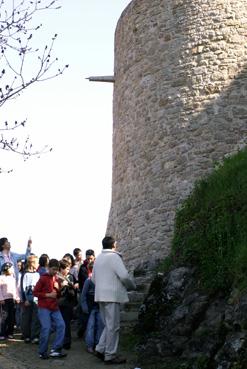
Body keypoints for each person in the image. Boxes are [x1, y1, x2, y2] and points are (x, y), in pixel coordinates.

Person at [92, 236, 136, 365]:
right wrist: (132, 286)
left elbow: (93, 279)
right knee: (114, 327)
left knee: (108, 325)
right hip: (112, 295)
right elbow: (124, 276)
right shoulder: (114, 257)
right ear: (114, 245)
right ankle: (110, 355)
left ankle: (100, 349)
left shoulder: (98, 259)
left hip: (100, 295)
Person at [33, 259, 66, 359]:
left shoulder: (56, 278)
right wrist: (48, 294)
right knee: (46, 328)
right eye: (53, 269)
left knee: (61, 325)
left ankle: (56, 349)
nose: (55, 271)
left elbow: (57, 295)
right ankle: (42, 351)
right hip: (44, 307)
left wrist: (60, 288)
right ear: (48, 268)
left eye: (57, 270)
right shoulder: (43, 278)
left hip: (54, 307)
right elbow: (35, 292)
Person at [81, 261, 104, 354]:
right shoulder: (88, 281)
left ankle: (98, 344)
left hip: (99, 306)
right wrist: (84, 307)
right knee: (90, 326)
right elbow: (83, 295)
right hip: (90, 308)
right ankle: (89, 345)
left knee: (100, 326)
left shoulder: (102, 280)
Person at [21, 255, 40, 344]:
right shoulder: (25, 274)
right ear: (32, 264)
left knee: (36, 318)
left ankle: (35, 335)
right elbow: (23, 287)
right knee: (26, 318)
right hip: (28, 300)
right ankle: (27, 335)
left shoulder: (37, 274)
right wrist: (25, 299)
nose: (38, 264)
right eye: (37, 262)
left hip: (36, 300)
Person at [58, 258, 77, 350]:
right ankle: (60, 341)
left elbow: (73, 289)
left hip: (68, 303)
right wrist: (62, 286)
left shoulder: (70, 277)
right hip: (59, 303)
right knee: (60, 323)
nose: (68, 271)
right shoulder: (57, 278)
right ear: (61, 269)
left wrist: (73, 286)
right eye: (66, 269)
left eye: (69, 269)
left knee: (66, 323)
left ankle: (66, 342)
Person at [77, 249, 95, 337]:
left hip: (93, 294)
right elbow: (81, 281)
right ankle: (82, 331)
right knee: (84, 314)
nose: (89, 260)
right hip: (84, 292)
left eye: (91, 259)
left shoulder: (96, 266)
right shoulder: (83, 267)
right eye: (88, 259)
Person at [0, 262, 20, 340]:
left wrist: (17, 298)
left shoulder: (13, 278)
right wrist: (1, 298)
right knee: (4, 317)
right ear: (6, 269)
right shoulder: (1, 278)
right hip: (4, 300)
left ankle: (10, 332)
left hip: (12, 300)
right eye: (11, 268)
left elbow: (15, 289)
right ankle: (2, 333)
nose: (13, 270)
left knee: (11, 317)